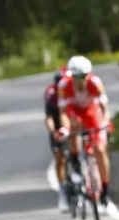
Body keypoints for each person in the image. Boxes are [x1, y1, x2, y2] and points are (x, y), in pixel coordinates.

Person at [54, 55, 114, 213]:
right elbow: (63, 113)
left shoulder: (95, 82)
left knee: (100, 150)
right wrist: (65, 129)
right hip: (73, 111)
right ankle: (74, 159)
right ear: (71, 75)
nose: (81, 80)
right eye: (77, 77)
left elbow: (104, 107)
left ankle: (105, 193)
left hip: (91, 111)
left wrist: (106, 122)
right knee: (72, 127)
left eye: (84, 76)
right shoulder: (64, 85)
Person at [45, 66, 70, 211]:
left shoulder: (72, 91)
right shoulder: (51, 93)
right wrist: (54, 131)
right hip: (57, 123)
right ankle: (62, 191)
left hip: (72, 122)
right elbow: (49, 118)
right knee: (59, 157)